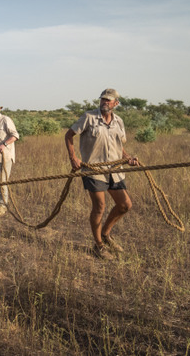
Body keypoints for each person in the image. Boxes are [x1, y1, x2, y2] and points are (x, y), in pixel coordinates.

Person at [65, 88, 139, 260]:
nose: (104, 102)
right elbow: (69, 136)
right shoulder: (89, 117)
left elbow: (119, 146)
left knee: (125, 205)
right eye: (103, 99)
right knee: (99, 207)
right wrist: (73, 157)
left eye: (108, 100)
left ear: (116, 104)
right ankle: (98, 245)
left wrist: (127, 158)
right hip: (94, 171)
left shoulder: (119, 122)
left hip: (115, 171)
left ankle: (106, 234)